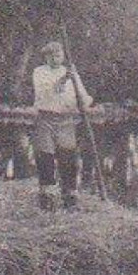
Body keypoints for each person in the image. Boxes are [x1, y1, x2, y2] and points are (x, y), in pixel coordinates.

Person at [31, 41, 92, 210]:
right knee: (45, 157)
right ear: (45, 57)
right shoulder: (39, 72)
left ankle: (70, 196)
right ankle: (47, 197)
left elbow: (83, 97)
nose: (55, 58)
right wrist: (66, 79)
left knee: (68, 158)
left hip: (66, 121)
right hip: (46, 119)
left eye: (58, 55)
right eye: (51, 55)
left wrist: (83, 105)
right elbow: (49, 91)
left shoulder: (71, 73)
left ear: (63, 56)